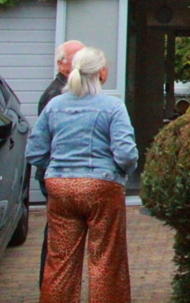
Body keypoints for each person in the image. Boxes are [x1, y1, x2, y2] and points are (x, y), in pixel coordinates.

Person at [27, 47, 138, 303]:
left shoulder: (55, 105)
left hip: (60, 188)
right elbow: (126, 154)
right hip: (102, 187)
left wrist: (56, 169)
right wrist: (120, 174)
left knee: (60, 259)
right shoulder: (112, 106)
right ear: (102, 72)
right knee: (106, 259)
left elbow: (34, 151)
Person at [35, 39, 84, 288]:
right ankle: (51, 287)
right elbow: (43, 143)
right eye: (76, 59)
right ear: (61, 64)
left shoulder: (70, 91)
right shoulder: (56, 95)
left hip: (61, 175)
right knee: (58, 236)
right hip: (57, 176)